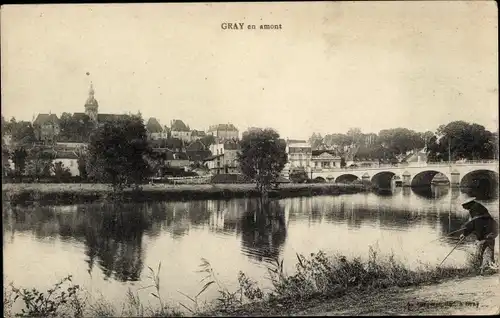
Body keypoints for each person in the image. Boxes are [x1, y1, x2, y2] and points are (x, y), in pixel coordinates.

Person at [459, 198, 498, 268]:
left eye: (463, 205)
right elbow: (475, 224)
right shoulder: (480, 208)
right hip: (491, 233)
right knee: (489, 253)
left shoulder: (474, 210)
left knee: (479, 254)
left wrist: (464, 234)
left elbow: (473, 224)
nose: (463, 207)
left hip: (485, 236)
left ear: (468, 204)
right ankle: (490, 267)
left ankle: (478, 269)